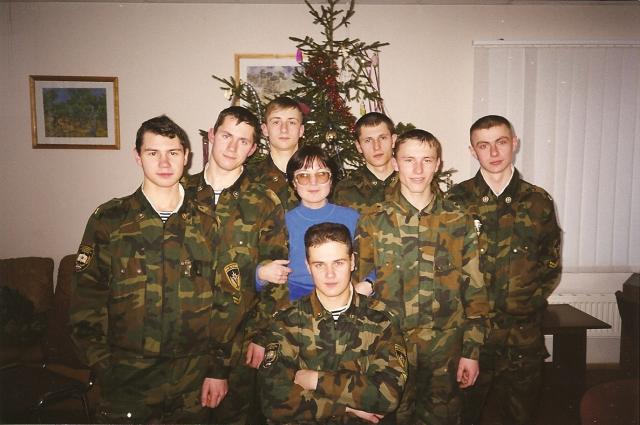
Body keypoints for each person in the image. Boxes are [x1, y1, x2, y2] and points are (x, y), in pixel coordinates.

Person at [69, 115, 219, 423]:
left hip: (192, 382)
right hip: (126, 380)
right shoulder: (110, 220)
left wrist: (218, 368)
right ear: (137, 157)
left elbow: (226, 301)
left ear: (186, 156)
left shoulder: (209, 221)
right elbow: (86, 299)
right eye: (153, 152)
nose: (164, 162)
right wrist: (103, 365)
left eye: (173, 152)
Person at [355, 129, 490, 425]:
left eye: (426, 160)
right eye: (409, 160)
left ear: (438, 164)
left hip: (445, 348)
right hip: (390, 347)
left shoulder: (458, 219)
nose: (418, 169)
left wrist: (471, 351)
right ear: (395, 163)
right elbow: (359, 287)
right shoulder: (373, 220)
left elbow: (474, 290)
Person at [447, 115, 562, 425]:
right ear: (472, 151)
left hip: (522, 334)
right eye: (484, 145)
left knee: (521, 416)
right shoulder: (456, 201)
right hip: (472, 336)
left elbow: (550, 262)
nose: (494, 152)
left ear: (514, 143)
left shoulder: (538, 201)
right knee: (464, 414)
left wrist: (527, 302)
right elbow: (446, 267)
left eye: (501, 142)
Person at [183, 106, 289, 424]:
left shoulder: (264, 202)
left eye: (243, 141)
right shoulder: (178, 192)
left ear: (253, 149)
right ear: (212, 136)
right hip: (180, 345)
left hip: (239, 346)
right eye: (226, 136)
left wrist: (261, 335)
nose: (232, 147)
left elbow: (278, 276)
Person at [258, 222, 408, 424]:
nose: (330, 274)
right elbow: (273, 401)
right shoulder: (286, 321)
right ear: (308, 266)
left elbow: (388, 396)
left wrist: (314, 380)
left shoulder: (382, 319)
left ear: (352, 262)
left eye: (338, 263)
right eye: (319, 265)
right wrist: (346, 408)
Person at [257, 145, 359, 302]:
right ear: (294, 182)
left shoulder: (353, 218)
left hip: (344, 297)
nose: (313, 182)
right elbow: (253, 265)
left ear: (331, 180)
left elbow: (374, 261)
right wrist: (261, 273)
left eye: (321, 174)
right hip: (295, 300)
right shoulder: (280, 222)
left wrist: (368, 284)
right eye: (304, 176)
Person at [333, 112, 398, 214]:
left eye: (382, 138)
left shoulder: (413, 181)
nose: (376, 147)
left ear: (393, 140)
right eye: (368, 140)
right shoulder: (345, 190)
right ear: (359, 146)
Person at [248, 96, 305, 211]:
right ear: (265, 129)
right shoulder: (248, 178)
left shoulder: (319, 177)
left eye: (292, 122)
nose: (284, 129)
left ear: (301, 130)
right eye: (276, 122)